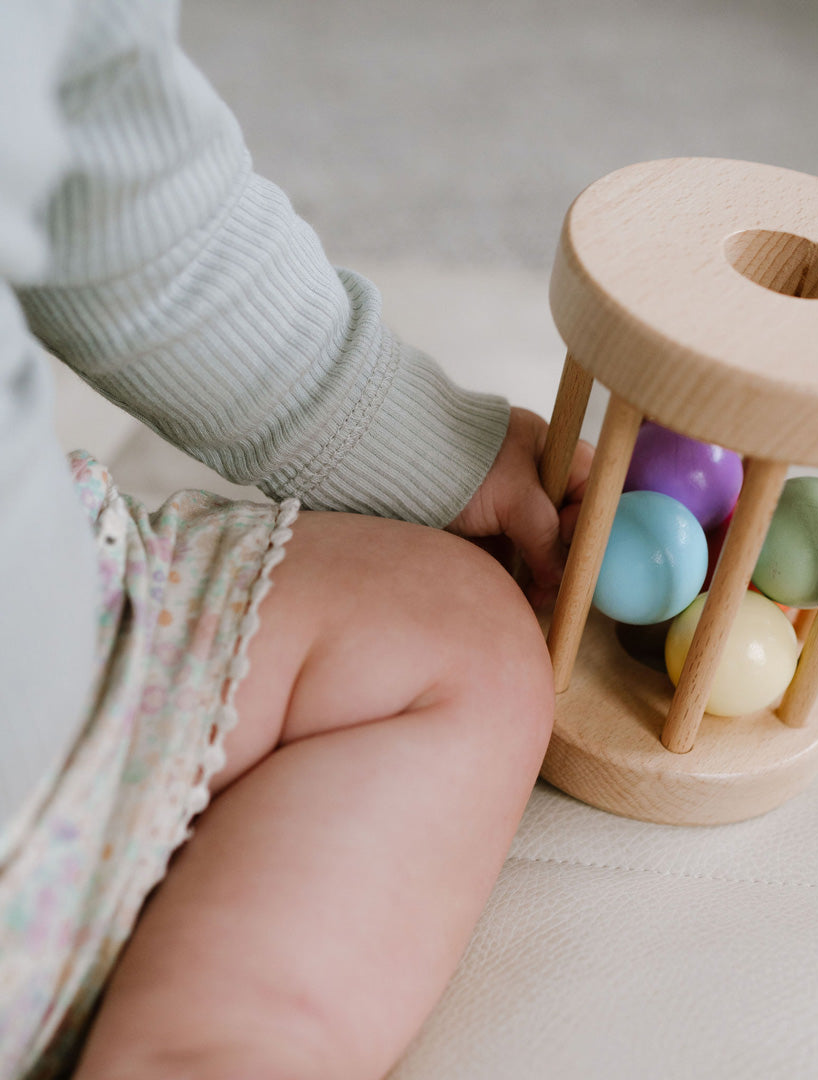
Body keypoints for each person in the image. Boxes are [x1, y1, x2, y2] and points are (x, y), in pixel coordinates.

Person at [0, 2, 592, 1076]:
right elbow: (132, 213)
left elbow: (127, 198)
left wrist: (433, 447)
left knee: (445, 621)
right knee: (452, 636)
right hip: (44, 771)